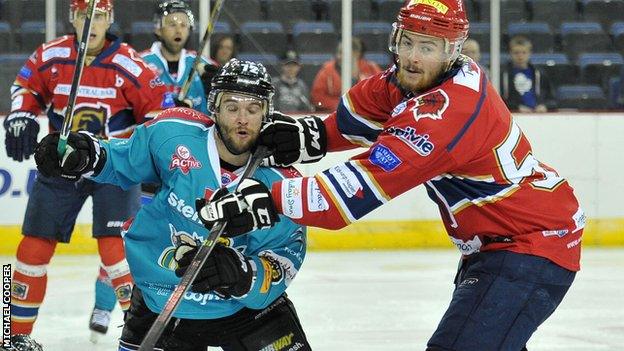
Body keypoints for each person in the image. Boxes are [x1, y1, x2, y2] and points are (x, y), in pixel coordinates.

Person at [201, 1, 584, 350]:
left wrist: (267, 201)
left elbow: (350, 192)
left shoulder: (448, 115)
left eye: (428, 47)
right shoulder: (414, 79)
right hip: (499, 244)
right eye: (408, 42)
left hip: (529, 247)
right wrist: (310, 136)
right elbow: (355, 118)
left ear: (452, 52)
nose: (413, 58)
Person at [34, 59, 311, 351]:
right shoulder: (173, 133)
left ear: (267, 112)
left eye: (252, 109)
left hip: (245, 311)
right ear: (213, 108)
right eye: (232, 108)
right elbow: (124, 158)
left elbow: (286, 255)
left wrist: (243, 275)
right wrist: (86, 154)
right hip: (163, 296)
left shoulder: (283, 181)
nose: (242, 119)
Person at [1, 0, 172, 349]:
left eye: (99, 16)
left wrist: (152, 154)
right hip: (61, 164)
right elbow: (26, 89)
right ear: (72, 18)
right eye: (83, 15)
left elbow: (158, 110)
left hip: (114, 166)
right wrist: (22, 115)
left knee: (116, 251)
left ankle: (141, 336)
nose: (91, 23)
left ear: (109, 19)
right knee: (31, 247)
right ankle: (13, 336)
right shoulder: (50, 55)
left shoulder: (129, 63)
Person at [141, 0, 220, 114]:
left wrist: (215, 87)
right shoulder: (141, 63)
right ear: (158, 29)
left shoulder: (203, 64)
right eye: (172, 24)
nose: (178, 31)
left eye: (183, 25)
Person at [310, 37, 381, 112]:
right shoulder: (327, 70)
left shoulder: (371, 69)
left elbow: (381, 93)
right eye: (338, 52)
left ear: (356, 53)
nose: (338, 56)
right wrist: (341, 105)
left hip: (366, 115)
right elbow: (317, 96)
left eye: (342, 53)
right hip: (334, 114)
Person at [501, 35, 556, 112]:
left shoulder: (539, 74)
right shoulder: (503, 75)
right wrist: (517, 107)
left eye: (524, 52)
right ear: (510, 53)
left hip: (537, 115)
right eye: (516, 53)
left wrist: (544, 106)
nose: (520, 56)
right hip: (513, 115)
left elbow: (552, 100)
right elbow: (499, 100)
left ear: (530, 53)